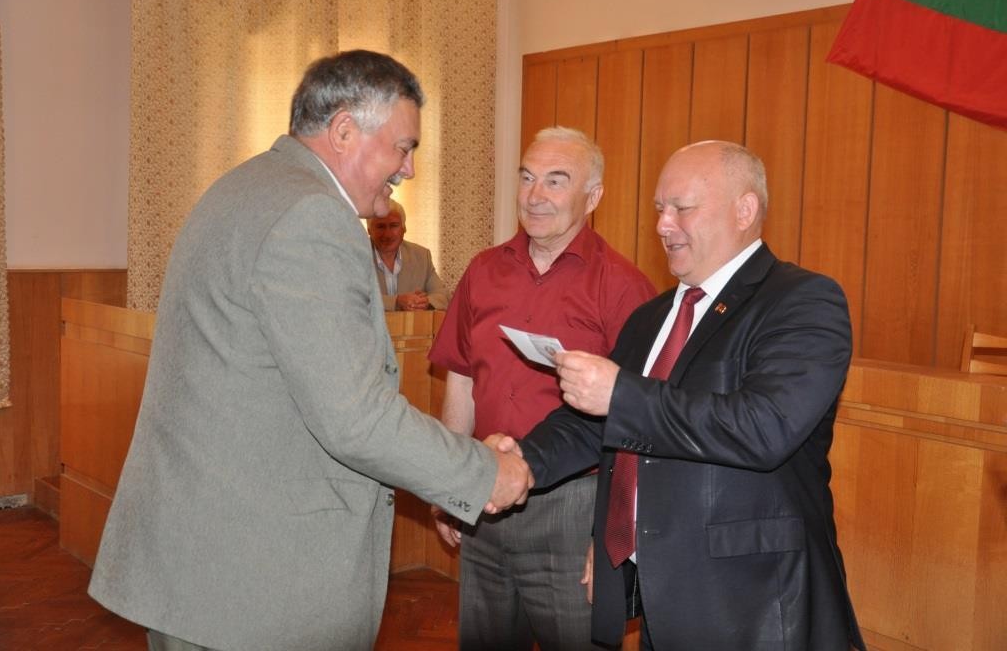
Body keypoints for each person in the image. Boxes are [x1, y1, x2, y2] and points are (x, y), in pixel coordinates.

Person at [87, 50, 532, 651]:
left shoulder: (248, 186)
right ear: (344, 130)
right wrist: (482, 473)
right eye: (403, 147)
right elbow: (357, 419)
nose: (408, 169)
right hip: (254, 586)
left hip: (202, 566)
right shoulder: (311, 218)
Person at [514, 140, 866, 650]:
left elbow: (764, 427)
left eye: (682, 208)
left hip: (757, 604)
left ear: (745, 210)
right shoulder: (651, 317)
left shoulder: (802, 300)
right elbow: (600, 422)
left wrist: (620, 394)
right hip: (665, 596)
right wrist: (518, 461)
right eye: (660, 208)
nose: (663, 225)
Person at [428, 126, 657, 650]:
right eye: (528, 178)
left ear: (592, 197)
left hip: (573, 508)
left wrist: (612, 534)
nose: (535, 195)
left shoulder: (624, 286)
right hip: (484, 491)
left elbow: (641, 421)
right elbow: (461, 378)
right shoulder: (482, 271)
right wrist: (450, 483)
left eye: (556, 181)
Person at [367, 199, 448, 310]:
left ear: (404, 228)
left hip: (412, 322)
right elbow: (352, 299)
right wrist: (396, 302)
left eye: (394, 225)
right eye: (381, 227)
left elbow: (443, 296)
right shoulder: (355, 256)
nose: (387, 234)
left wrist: (425, 302)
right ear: (369, 230)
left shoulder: (421, 256)